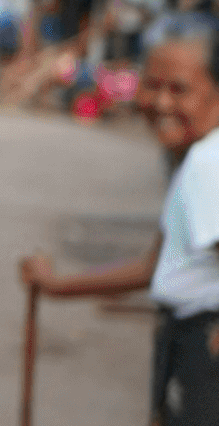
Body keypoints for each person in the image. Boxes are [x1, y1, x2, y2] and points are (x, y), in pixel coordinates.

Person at [19, 28, 219, 425]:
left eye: (180, 89)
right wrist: (56, 285)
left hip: (202, 347)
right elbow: (154, 267)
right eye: (152, 85)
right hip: (184, 340)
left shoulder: (207, 163)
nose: (161, 102)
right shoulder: (194, 159)